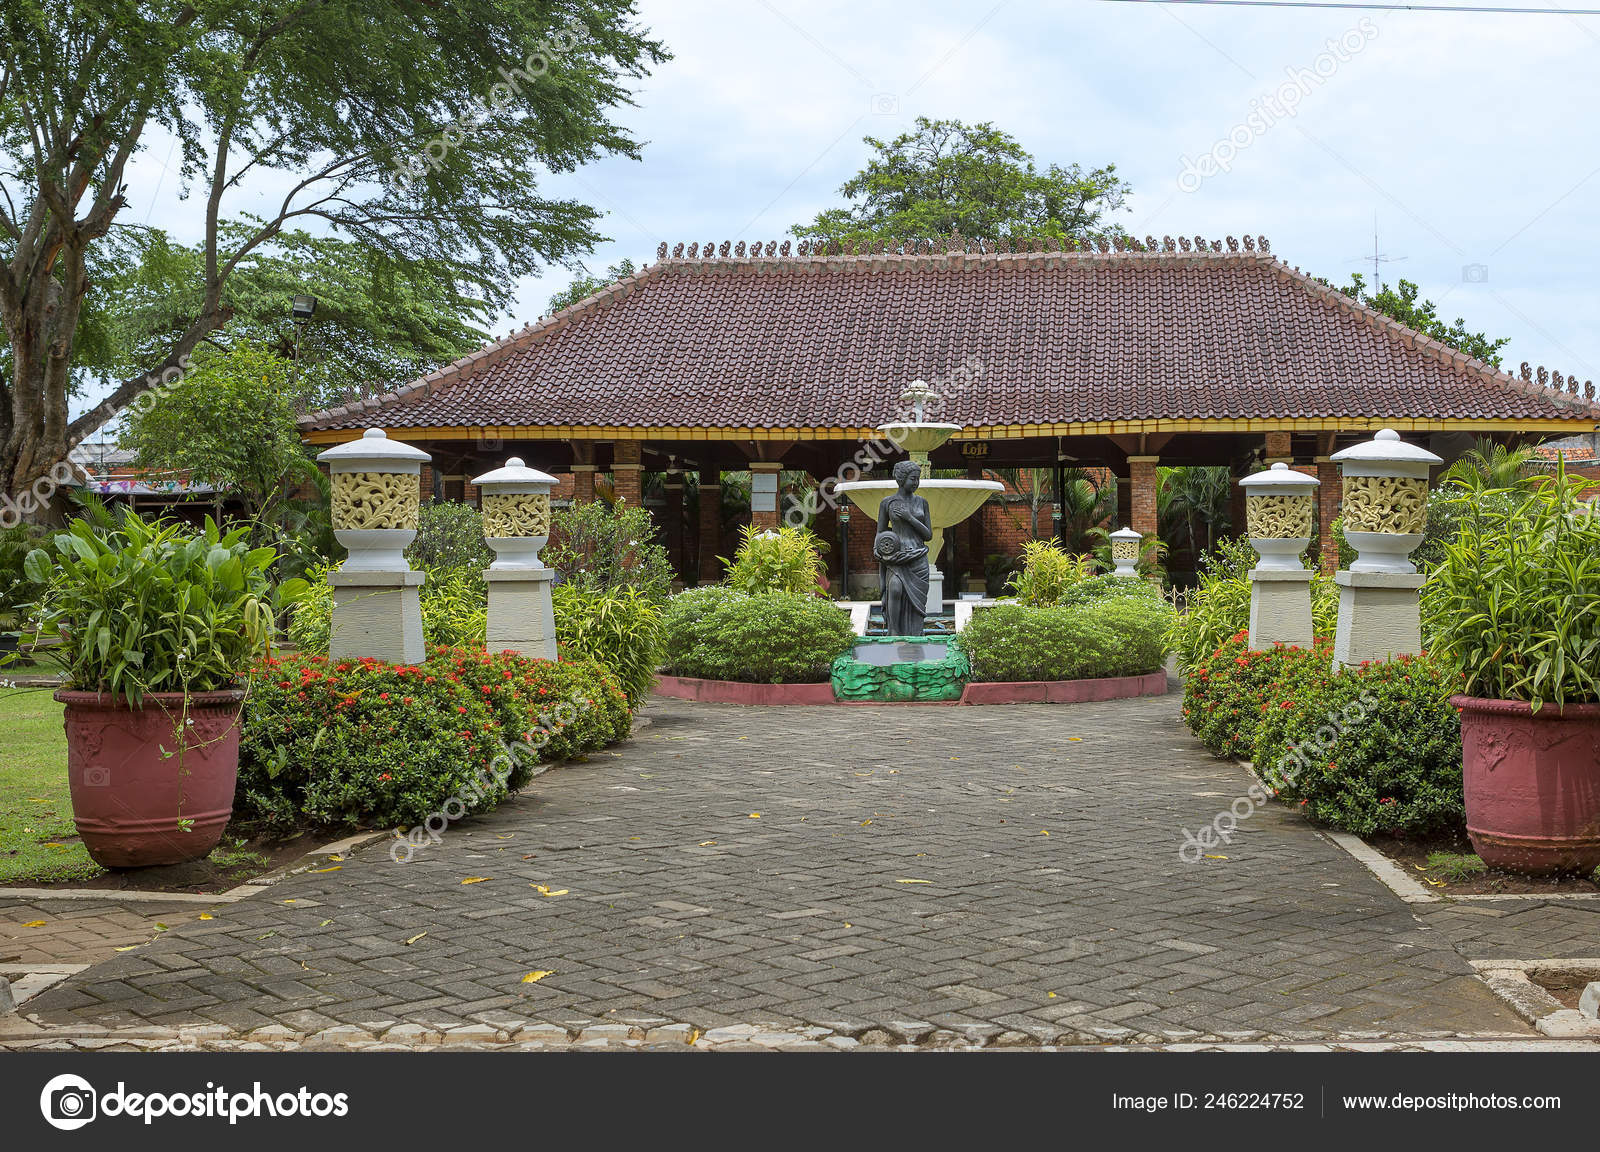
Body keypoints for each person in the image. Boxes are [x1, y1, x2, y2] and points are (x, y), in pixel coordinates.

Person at [875, 459, 932, 637]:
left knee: (916, 602)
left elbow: (928, 535)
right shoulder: (887, 503)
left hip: (918, 557)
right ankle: (894, 633)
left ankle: (915, 635)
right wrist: (877, 549)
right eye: (912, 479)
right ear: (901, 479)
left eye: (917, 479)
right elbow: (880, 532)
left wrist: (909, 517)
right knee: (895, 589)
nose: (916, 483)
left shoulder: (922, 503)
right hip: (896, 557)